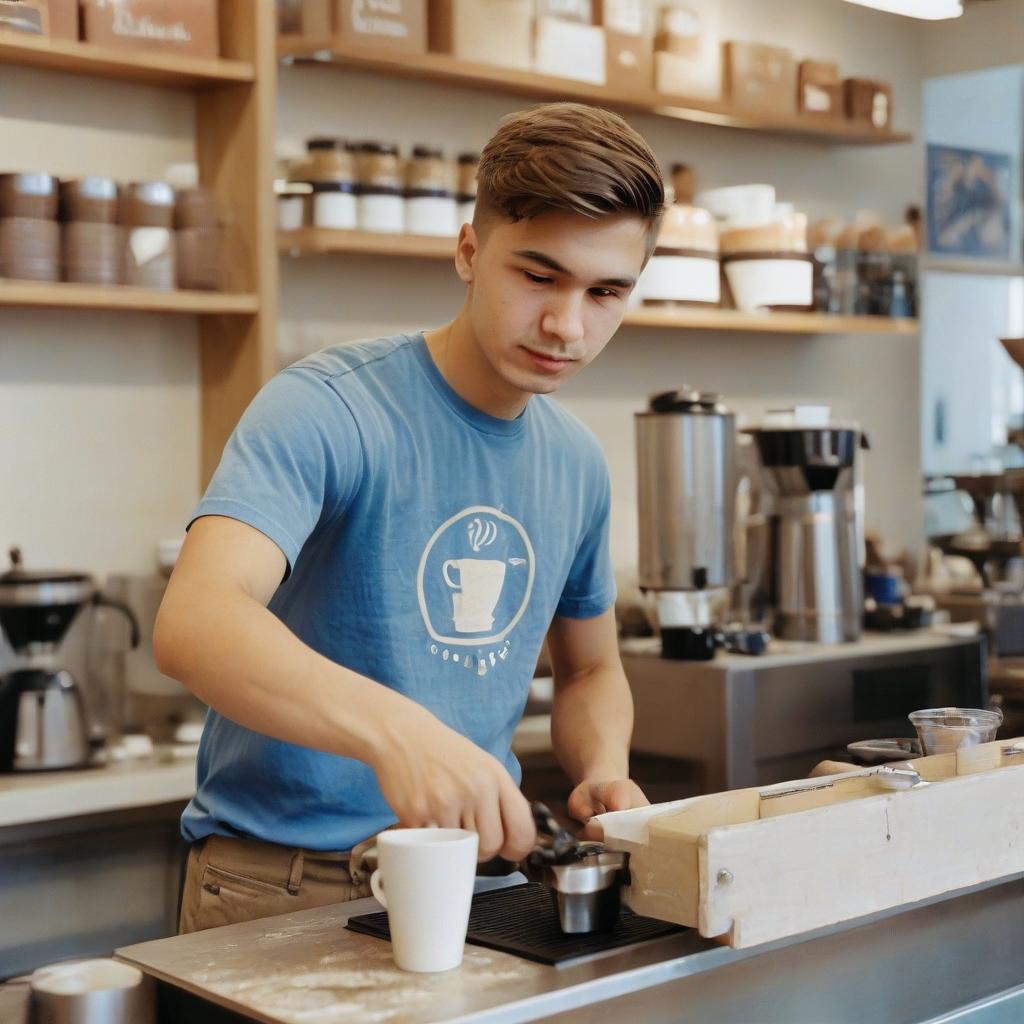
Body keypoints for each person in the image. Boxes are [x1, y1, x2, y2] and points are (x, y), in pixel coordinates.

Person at [155, 102, 665, 935]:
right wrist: (400, 734)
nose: (568, 325)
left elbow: (589, 672)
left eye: (605, 292)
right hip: (285, 887)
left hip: (476, 885)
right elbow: (195, 619)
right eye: (538, 276)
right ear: (469, 251)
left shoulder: (575, 461)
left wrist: (603, 770)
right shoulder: (328, 406)